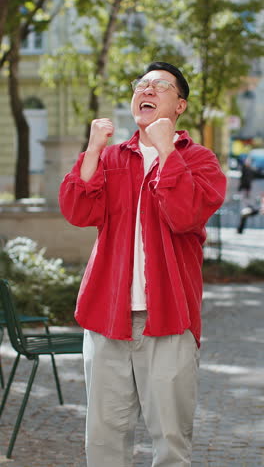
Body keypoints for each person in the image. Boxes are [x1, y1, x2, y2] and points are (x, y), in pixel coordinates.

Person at [59, 61, 226, 467]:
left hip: (168, 317)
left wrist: (167, 149)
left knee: (170, 441)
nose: (146, 90)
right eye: (142, 84)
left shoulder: (200, 161)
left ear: (180, 105)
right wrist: (94, 149)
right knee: (103, 439)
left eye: (160, 86)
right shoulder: (113, 157)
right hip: (107, 315)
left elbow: (185, 215)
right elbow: (78, 210)